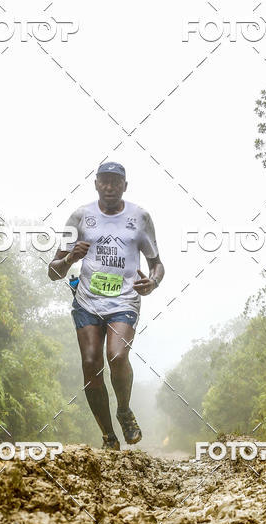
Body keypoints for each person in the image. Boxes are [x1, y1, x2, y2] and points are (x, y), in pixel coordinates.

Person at [48, 161, 164, 450]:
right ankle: (108, 436)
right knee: (90, 364)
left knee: (116, 355)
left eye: (116, 182)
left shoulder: (140, 217)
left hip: (124, 301)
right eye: (105, 181)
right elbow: (53, 271)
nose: (110, 187)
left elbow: (157, 265)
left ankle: (124, 411)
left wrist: (152, 283)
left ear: (125, 185)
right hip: (87, 301)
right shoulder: (79, 217)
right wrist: (71, 257)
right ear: (96, 184)